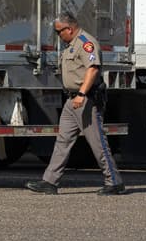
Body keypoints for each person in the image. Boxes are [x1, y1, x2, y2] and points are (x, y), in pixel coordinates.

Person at [25, 12, 125, 195]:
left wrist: (81, 94)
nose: (58, 36)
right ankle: (50, 181)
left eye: (59, 32)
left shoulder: (86, 43)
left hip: (86, 100)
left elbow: (92, 69)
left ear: (69, 29)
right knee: (63, 141)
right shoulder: (71, 45)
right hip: (72, 101)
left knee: (98, 143)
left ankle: (114, 182)